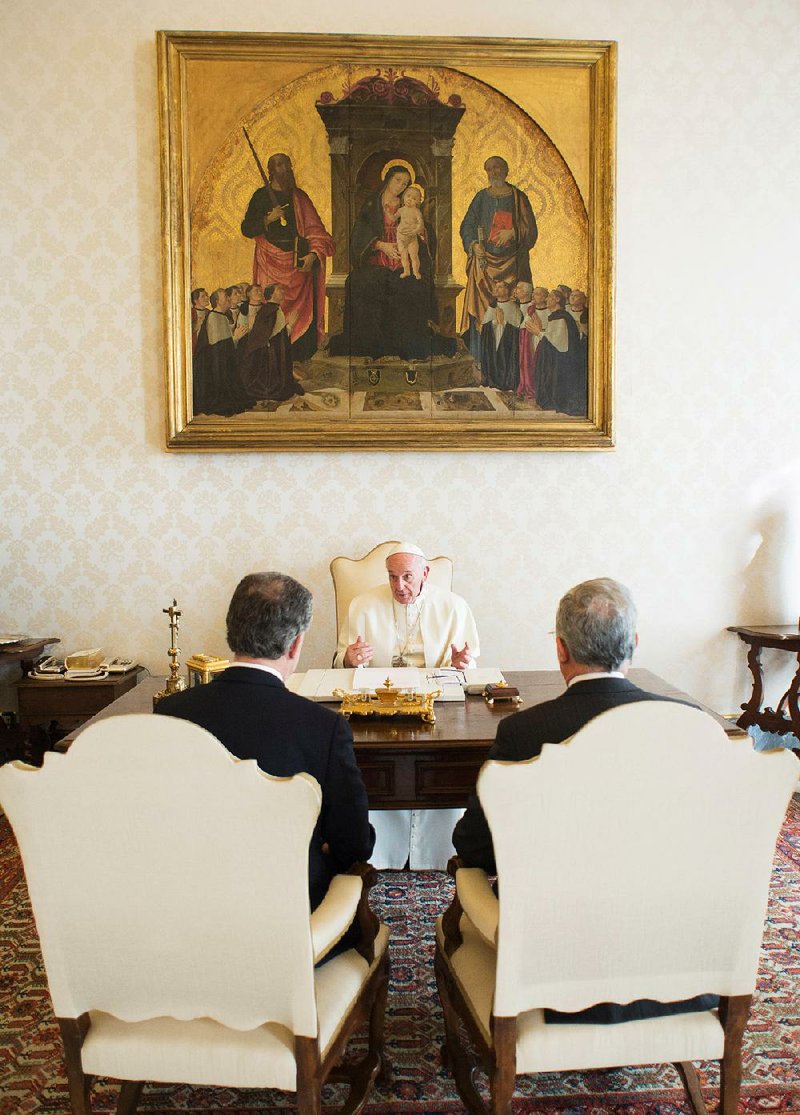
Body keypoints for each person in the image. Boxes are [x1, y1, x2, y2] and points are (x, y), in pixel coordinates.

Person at [452, 577, 718, 1024]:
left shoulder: (525, 731)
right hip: (674, 963)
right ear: (633, 643)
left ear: (560, 649)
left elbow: (474, 847)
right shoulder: (692, 726)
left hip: (556, 972)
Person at [155, 572, 375, 958]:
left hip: (186, 922)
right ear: (295, 644)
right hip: (289, 932)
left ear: (231, 632)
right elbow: (354, 845)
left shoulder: (172, 710)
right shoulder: (323, 728)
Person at [334, 542, 480, 870]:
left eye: (407, 577)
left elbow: (468, 667)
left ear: (425, 574)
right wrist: (349, 657)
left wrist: (461, 663)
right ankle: (382, 851)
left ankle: (435, 852)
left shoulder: (454, 607)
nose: (399, 586)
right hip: (378, 706)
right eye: (392, 577)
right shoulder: (363, 606)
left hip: (434, 708)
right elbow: (341, 658)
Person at [329, 165, 456, 361]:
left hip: (402, 258)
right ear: (388, 178)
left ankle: (407, 346)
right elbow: (359, 232)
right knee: (360, 283)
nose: (400, 186)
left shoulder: (409, 204)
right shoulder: (373, 203)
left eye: (405, 183)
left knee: (412, 284)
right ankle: (369, 346)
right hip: (377, 259)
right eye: (397, 180)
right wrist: (380, 245)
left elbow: (424, 229)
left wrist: (420, 233)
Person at [240, 153, 334, 362]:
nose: (286, 170)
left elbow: (317, 231)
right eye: (280, 166)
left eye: (288, 165)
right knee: (272, 311)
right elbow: (246, 228)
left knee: (300, 315)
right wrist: (267, 219)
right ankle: (271, 361)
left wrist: (313, 254)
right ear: (271, 170)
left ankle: (299, 359)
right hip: (270, 261)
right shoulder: (260, 196)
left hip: (298, 265)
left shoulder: (300, 197)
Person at [459, 156, 538, 368]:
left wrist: (513, 232)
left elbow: (531, 230)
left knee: (511, 315)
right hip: (484, 265)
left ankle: (510, 366)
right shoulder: (480, 198)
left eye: (498, 168)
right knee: (482, 314)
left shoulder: (518, 197)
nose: (494, 173)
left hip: (512, 263)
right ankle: (481, 364)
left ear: (506, 170)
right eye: (490, 169)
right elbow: (466, 226)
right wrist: (474, 245)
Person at [236, 283, 305, 405]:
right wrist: (290, 326)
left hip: (269, 351)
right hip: (266, 356)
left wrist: (288, 328)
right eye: (279, 290)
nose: (283, 292)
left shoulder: (273, 308)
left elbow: (274, 335)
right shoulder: (270, 310)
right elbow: (269, 337)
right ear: (272, 294)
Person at [192, 288, 249, 417]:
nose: (228, 298)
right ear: (218, 301)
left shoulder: (222, 316)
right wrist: (235, 338)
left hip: (221, 363)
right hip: (211, 369)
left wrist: (235, 339)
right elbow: (216, 350)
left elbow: (225, 348)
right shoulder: (213, 317)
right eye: (225, 296)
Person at [530, 287, 587, 415]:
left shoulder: (561, 317)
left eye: (549, 297)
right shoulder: (557, 316)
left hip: (562, 361)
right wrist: (540, 333)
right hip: (559, 358)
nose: (546, 299)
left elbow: (557, 343)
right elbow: (553, 338)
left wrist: (538, 332)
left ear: (557, 300)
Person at [479, 278, 522, 391]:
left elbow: (517, 329)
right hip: (494, 338)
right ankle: (491, 379)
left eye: (500, 287)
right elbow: (485, 327)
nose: (496, 289)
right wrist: (494, 322)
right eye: (496, 287)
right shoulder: (493, 306)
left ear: (507, 291)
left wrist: (504, 323)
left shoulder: (514, 308)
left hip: (506, 340)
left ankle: (504, 381)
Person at [395, 184, 425, 280]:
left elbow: (421, 225)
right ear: (404, 197)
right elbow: (393, 218)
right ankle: (406, 271)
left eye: (414, 198)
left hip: (412, 237)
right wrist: (387, 212)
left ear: (418, 202)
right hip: (401, 236)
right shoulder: (401, 210)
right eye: (408, 196)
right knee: (403, 255)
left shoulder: (417, 212)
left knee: (414, 255)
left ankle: (416, 272)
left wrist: (415, 231)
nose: (409, 199)